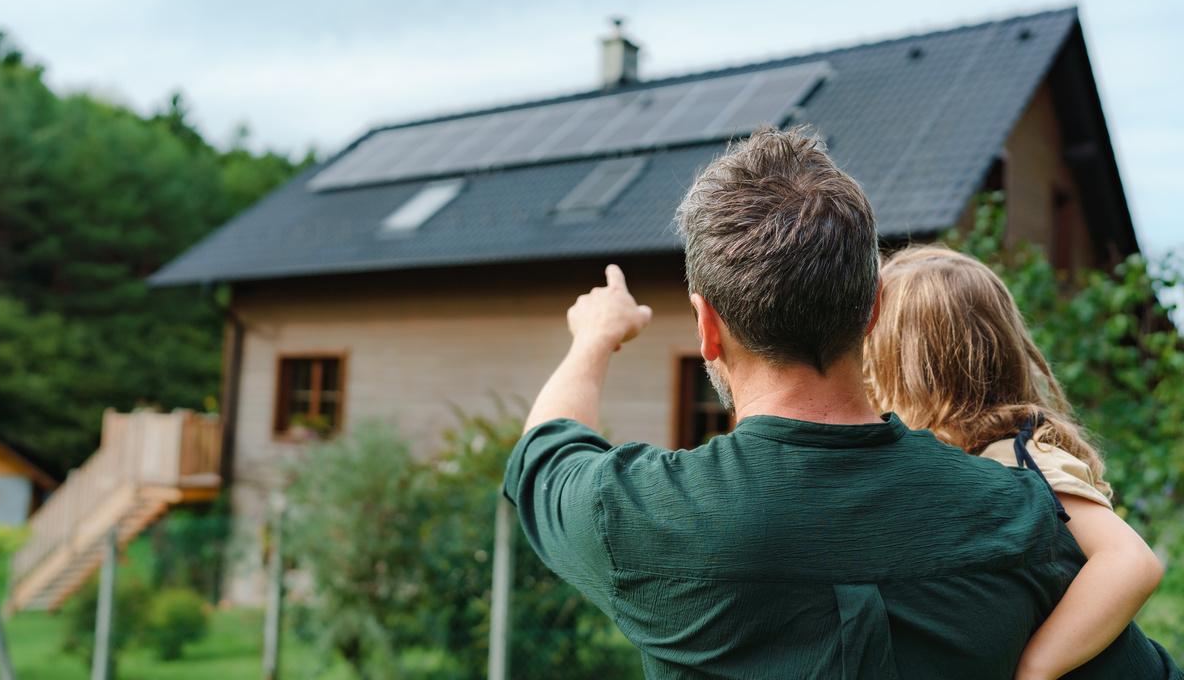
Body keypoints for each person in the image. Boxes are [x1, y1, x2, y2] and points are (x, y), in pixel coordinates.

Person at [503, 126, 1180, 678]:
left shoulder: (636, 514)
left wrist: (595, 338)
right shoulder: (1022, 516)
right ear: (872, 307)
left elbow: (547, 447)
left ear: (707, 327)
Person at [863, 245, 1178, 680]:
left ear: (903, 370)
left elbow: (1130, 561)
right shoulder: (966, 459)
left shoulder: (1020, 457)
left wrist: (1036, 667)